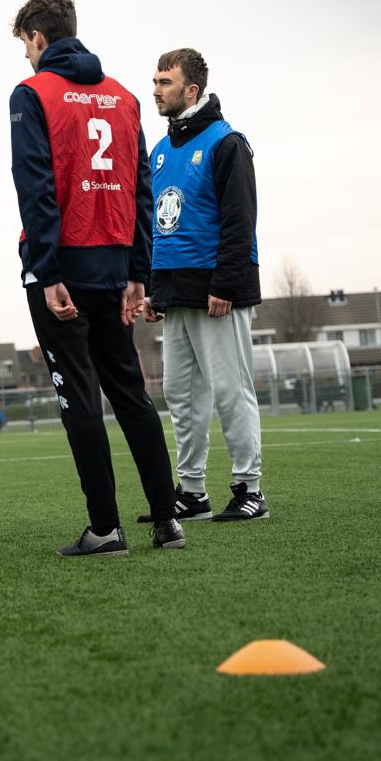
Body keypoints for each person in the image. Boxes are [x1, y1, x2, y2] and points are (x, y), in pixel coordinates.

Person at [9, 0, 184, 555]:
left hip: (62, 271)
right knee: (130, 393)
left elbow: (35, 187)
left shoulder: (31, 93)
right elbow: (140, 190)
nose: (26, 56)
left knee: (79, 399)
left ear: (38, 37)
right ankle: (167, 520)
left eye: (25, 45)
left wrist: (47, 270)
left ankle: (106, 529)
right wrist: (139, 272)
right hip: (116, 266)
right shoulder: (125, 97)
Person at [141, 49, 267, 522]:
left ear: (191, 91)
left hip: (219, 291)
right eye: (154, 81)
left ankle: (249, 489)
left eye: (165, 82)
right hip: (175, 293)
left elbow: (240, 220)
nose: (156, 90)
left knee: (231, 389)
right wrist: (155, 289)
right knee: (180, 393)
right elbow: (157, 228)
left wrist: (227, 284)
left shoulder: (226, 141)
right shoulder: (158, 151)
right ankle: (191, 492)